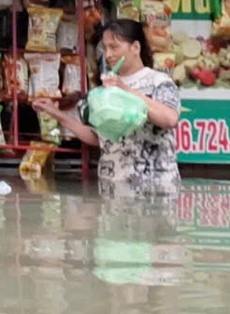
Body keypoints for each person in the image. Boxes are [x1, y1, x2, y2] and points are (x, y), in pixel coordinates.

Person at [34, 18, 184, 195]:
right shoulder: (104, 90)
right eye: (105, 48)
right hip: (113, 185)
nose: (108, 54)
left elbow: (169, 119)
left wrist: (125, 90)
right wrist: (57, 114)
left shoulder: (159, 81)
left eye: (114, 47)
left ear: (135, 48)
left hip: (155, 187)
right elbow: (98, 138)